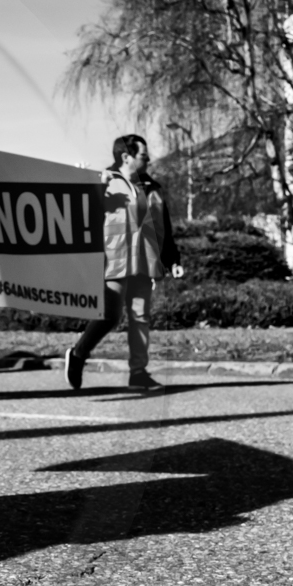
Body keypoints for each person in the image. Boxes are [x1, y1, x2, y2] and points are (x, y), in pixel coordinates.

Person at [65, 134, 180, 392]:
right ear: (126, 157)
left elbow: (164, 225)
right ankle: (79, 353)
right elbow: (81, 215)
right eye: (144, 156)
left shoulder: (153, 187)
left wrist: (172, 258)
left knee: (141, 318)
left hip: (145, 261)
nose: (149, 160)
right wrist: (86, 186)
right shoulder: (105, 181)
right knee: (111, 315)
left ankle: (138, 373)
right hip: (114, 259)